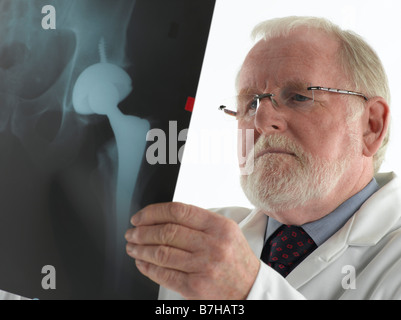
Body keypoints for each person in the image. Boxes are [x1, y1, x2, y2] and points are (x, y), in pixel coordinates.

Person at [124, 16, 401, 299]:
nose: (261, 119)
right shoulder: (189, 244)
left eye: (298, 97)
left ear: (371, 126)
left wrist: (250, 290)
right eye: (250, 103)